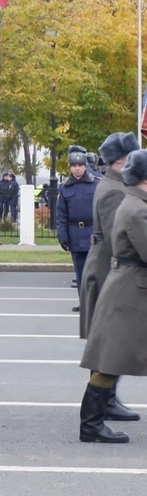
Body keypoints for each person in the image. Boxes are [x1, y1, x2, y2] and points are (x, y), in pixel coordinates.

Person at [78, 147, 147, 444]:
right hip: (128, 292)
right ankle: (91, 425)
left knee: (111, 358)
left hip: (129, 288)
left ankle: (92, 423)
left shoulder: (134, 202)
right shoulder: (137, 209)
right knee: (109, 360)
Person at [56, 147, 96, 313]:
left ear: (85, 166)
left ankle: (95, 302)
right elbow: (61, 215)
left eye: (80, 165)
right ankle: (84, 301)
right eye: (74, 165)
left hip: (93, 232)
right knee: (80, 272)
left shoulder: (96, 184)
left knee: (94, 271)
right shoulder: (65, 188)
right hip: (75, 233)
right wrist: (62, 236)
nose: (77, 168)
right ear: (70, 167)